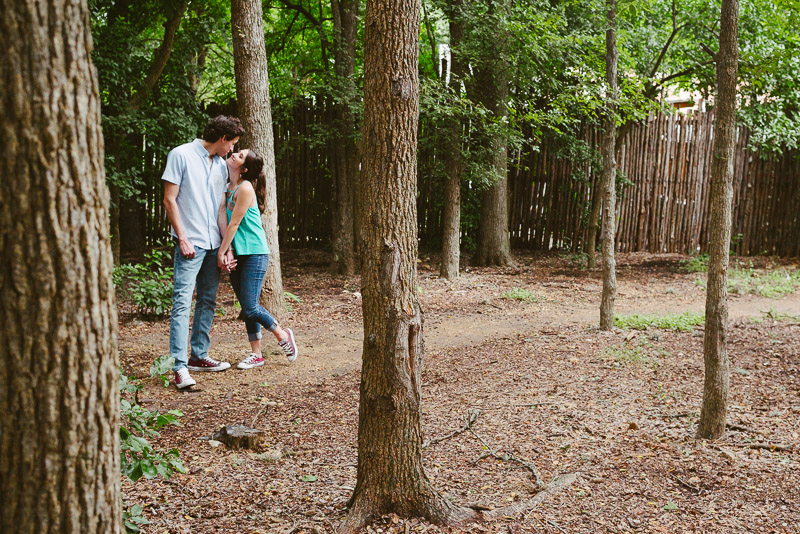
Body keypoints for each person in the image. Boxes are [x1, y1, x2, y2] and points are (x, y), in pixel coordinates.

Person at [162, 115, 244, 389]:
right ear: (222, 139)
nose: (232, 149)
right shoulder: (181, 155)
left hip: (213, 246)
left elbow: (222, 209)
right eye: (232, 143)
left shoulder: (221, 165)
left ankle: (198, 356)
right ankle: (180, 366)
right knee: (183, 302)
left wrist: (226, 247)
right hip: (190, 244)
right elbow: (169, 199)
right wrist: (182, 238)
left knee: (207, 301)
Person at [218, 149, 298, 369]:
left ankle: (283, 335)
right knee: (246, 306)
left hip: (254, 252)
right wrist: (229, 251)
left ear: (243, 169)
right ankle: (257, 355)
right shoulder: (227, 188)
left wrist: (221, 253)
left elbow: (234, 224)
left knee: (251, 307)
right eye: (237, 151)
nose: (234, 154)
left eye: (240, 156)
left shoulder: (245, 188)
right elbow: (222, 219)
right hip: (238, 252)